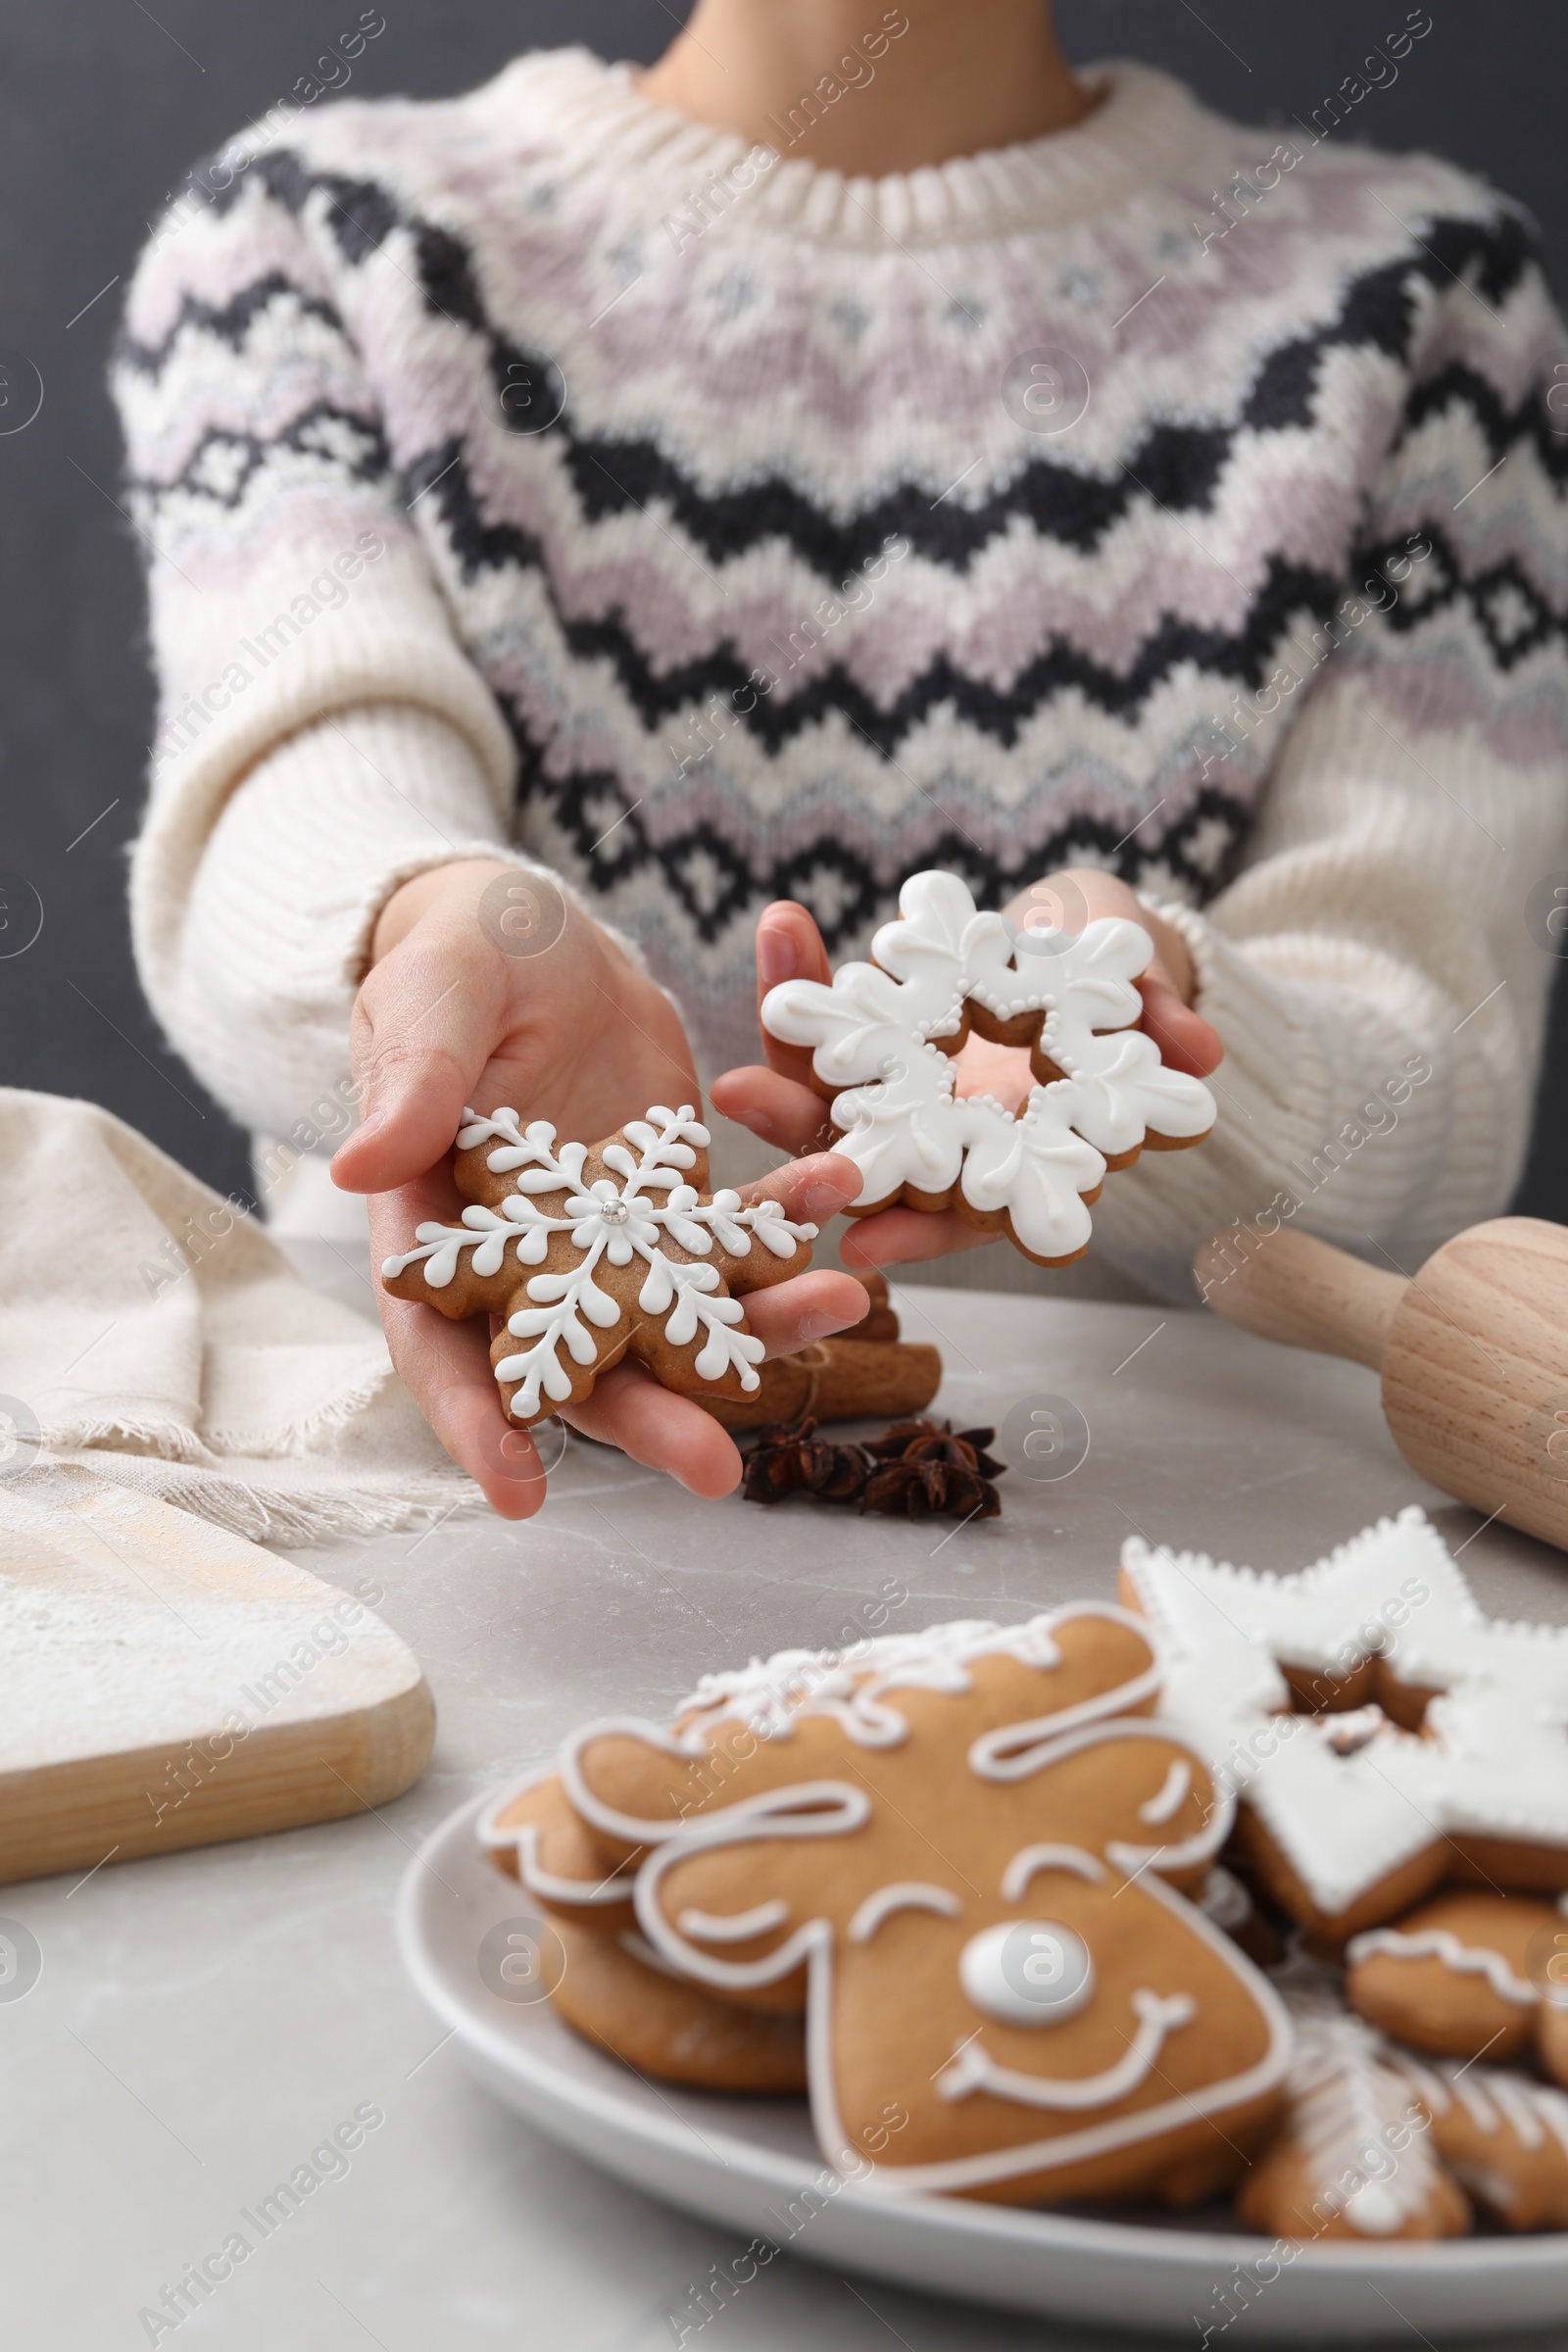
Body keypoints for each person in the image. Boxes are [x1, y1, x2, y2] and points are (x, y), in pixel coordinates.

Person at [114, 1, 1568, 1516]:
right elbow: (299, 796)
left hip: (1134, 1558)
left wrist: (1161, 1031)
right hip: (449, 1541)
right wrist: (433, 929)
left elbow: (1426, 1056)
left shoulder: (1424, 302)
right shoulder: (319, 238)